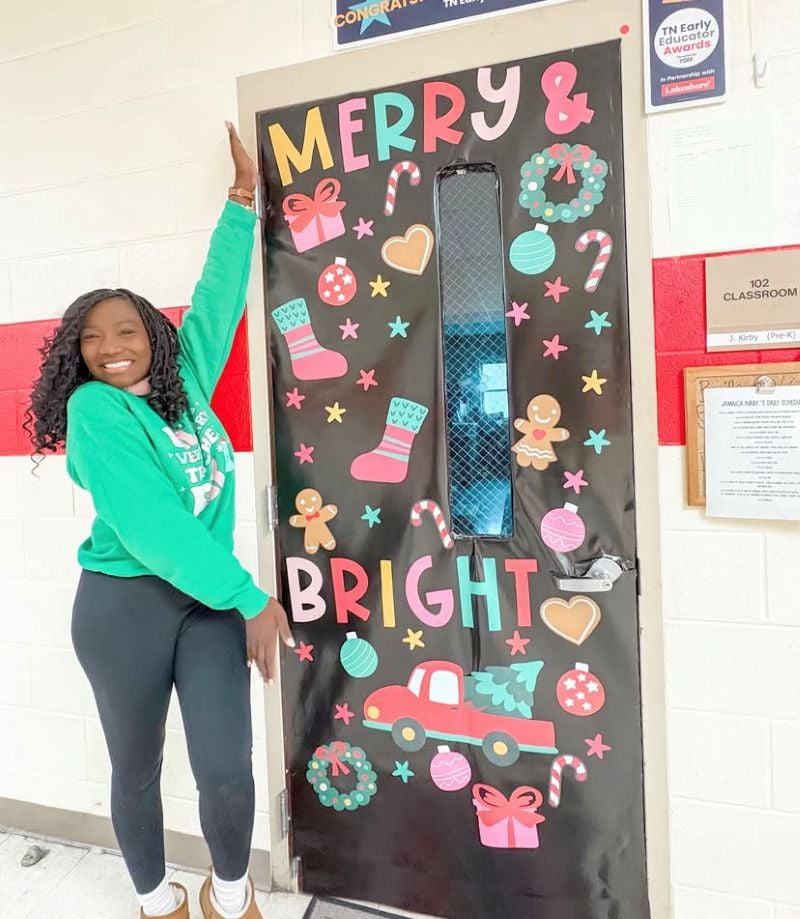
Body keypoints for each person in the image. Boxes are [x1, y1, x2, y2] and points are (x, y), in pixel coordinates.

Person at [24, 123, 292, 919]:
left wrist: (241, 200)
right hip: (123, 607)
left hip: (204, 604)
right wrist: (250, 596)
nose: (111, 346)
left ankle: (232, 893)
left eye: (127, 330)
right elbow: (152, 529)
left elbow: (213, 302)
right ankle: (154, 899)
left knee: (225, 767)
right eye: (92, 337)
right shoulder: (95, 412)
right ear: (76, 353)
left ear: (153, 339)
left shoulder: (186, 388)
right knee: (135, 767)